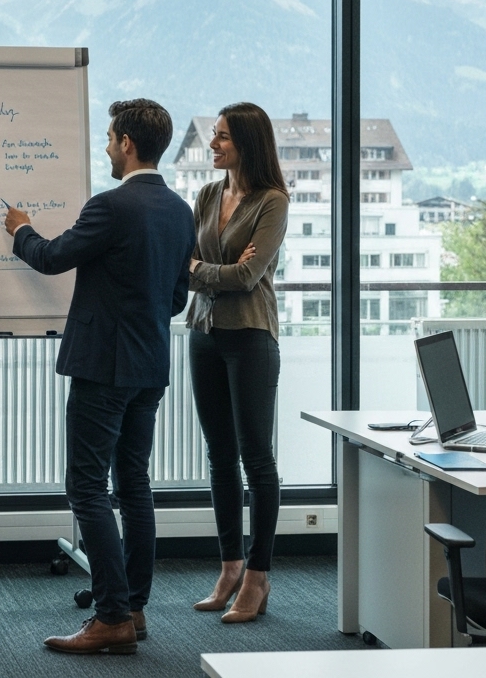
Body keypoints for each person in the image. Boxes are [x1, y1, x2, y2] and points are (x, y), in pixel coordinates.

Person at [5, 98, 195, 655]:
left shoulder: (112, 206)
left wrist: (21, 230)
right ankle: (132, 608)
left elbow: (51, 257)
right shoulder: (181, 211)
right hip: (150, 366)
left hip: (103, 368)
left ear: (127, 144)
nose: (107, 147)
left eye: (111, 138)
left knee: (87, 487)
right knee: (133, 486)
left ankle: (111, 616)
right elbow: (177, 298)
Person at [186, 102, 289, 624]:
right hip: (203, 333)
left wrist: (199, 269)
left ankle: (258, 575)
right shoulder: (207, 194)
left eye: (223, 137)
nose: (213, 144)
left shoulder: (272, 201)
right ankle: (229, 568)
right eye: (214, 135)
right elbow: (190, 265)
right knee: (219, 456)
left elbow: (247, 279)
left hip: (250, 336)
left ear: (246, 143)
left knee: (257, 458)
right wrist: (211, 270)